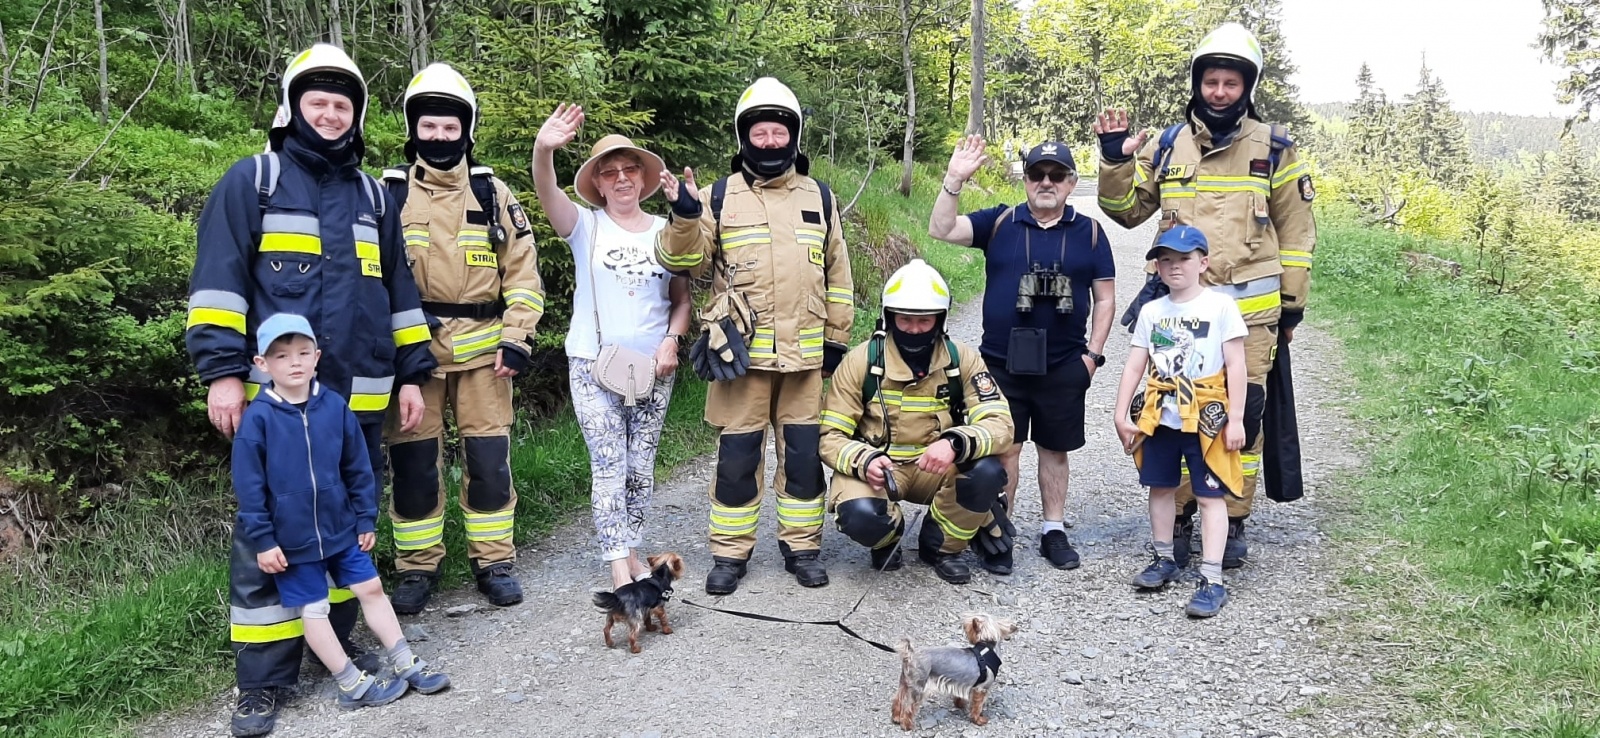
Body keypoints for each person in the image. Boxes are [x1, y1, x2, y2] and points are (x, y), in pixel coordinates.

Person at [184, 43, 435, 737]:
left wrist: (412, 374)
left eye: (342, 105)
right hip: (277, 405)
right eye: (317, 103)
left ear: (355, 117)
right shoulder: (253, 181)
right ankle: (263, 680)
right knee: (267, 532)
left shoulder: (372, 197)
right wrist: (224, 374)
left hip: (357, 401)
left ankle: (336, 646)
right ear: (294, 108)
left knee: (349, 523)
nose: (329, 114)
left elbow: (399, 294)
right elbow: (217, 288)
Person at [1094, 21, 1316, 568]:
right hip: (1177, 315)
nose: (1219, 92)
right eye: (1211, 81)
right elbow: (1126, 213)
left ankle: (1233, 517)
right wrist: (1114, 160)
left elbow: (1298, 235)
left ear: (1248, 87)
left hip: (1249, 315)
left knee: (1245, 415)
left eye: (1230, 83)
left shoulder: (1276, 149)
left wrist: (1292, 306)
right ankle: (1185, 512)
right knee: (1175, 408)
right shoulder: (1169, 145)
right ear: (1197, 83)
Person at [655, 77, 854, 594]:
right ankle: (729, 555)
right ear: (744, 138)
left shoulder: (821, 198)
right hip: (738, 359)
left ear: (794, 136)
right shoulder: (717, 196)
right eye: (759, 133)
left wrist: (836, 337)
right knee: (737, 461)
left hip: (805, 362)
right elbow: (684, 260)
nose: (769, 142)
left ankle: (802, 547)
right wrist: (684, 214)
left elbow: (839, 274)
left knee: (804, 460)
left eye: (778, 132)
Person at [379, 63, 545, 613]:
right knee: (414, 467)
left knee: (490, 462)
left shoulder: (493, 193)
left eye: (451, 128)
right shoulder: (387, 195)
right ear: (413, 129)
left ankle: (494, 560)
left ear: (466, 130)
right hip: (414, 361)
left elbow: (523, 273)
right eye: (430, 127)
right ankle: (416, 568)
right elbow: (368, 278)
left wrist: (517, 338)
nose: (440, 137)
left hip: (484, 359)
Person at [234, 314, 452, 711]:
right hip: (292, 540)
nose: (295, 362)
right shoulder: (258, 419)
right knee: (314, 607)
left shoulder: (333, 405)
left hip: (341, 529)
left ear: (317, 356)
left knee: (371, 588)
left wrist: (364, 517)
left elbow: (357, 465)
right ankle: (349, 682)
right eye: (282, 356)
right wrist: (264, 542)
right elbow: (249, 490)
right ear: (262, 364)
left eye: (303, 352)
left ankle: (405, 661)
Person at [927, 136, 1116, 574]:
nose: (1045, 182)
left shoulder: (1089, 233)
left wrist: (1093, 356)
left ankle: (1053, 529)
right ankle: (1000, 533)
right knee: (1005, 450)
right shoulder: (1001, 222)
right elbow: (940, 229)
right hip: (1000, 364)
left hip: (1065, 363)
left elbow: (1105, 299)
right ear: (1026, 179)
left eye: (1055, 175)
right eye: (1037, 174)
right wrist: (954, 179)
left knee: (1055, 450)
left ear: (1071, 182)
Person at [531, 103, 692, 590]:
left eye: (629, 170)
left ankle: (632, 546)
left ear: (643, 179)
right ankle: (618, 565)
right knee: (609, 462)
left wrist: (672, 342)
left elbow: (681, 300)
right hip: (592, 364)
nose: (621, 178)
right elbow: (546, 191)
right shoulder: (585, 226)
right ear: (598, 183)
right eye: (610, 172)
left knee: (641, 468)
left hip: (653, 370)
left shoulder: (667, 232)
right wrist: (544, 149)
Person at [821, 260, 1015, 584]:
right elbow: (829, 435)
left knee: (988, 473)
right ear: (888, 317)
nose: (913, 329)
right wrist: (864, 460)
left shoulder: (961, 359)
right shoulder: (860, 362)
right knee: (860, 515)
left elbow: (1001, 423)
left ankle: (940, 546)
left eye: (924, 321)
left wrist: (955, 443)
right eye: (905, 320)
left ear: (940, 320)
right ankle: (887, 538)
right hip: (879, 472)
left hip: (935, 469)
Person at [1111, 227, 1247, 617]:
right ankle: (1164, 557)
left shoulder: (1220, 307)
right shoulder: (1153, 312)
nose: (1174, 267)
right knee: (1159, 487)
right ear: (1156, 266)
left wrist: (1235, 419)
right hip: (1161, 415)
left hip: (1206, 417)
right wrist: (1121, 414)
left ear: (1203, 263)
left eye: (1184, 258)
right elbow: (1136, 363)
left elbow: (1237, 365)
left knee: (1209, 495)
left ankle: (1212, 577)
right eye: (1166, 260)